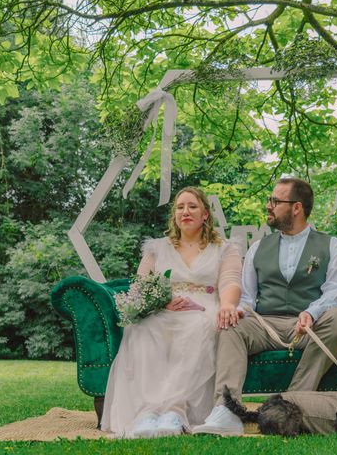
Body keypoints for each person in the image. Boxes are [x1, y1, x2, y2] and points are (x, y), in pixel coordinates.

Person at [193, 177, 337, 436]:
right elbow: (246, 297)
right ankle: (226, 411)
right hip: (265, 325)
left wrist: (311, 313)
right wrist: (238, 311)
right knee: (231, 324)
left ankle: (292, 403)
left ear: (297, 208)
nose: (269, 205)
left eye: (275, 201)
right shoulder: (258, 247)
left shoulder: (332, 245)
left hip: (307, 329)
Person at [101, 187, 242, 438]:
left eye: (192, 206)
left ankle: (175, 412)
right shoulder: (157, 248)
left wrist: (228, 305)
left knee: (198, 327)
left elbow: (230, 281)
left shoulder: (225, 248)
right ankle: (147, 413)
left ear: (206, 214)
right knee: (143, 327)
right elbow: (141, 284)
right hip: (164, 308)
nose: (185, 212)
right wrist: (163, 302)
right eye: (179, 207)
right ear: (174, 215)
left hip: (204, 306)